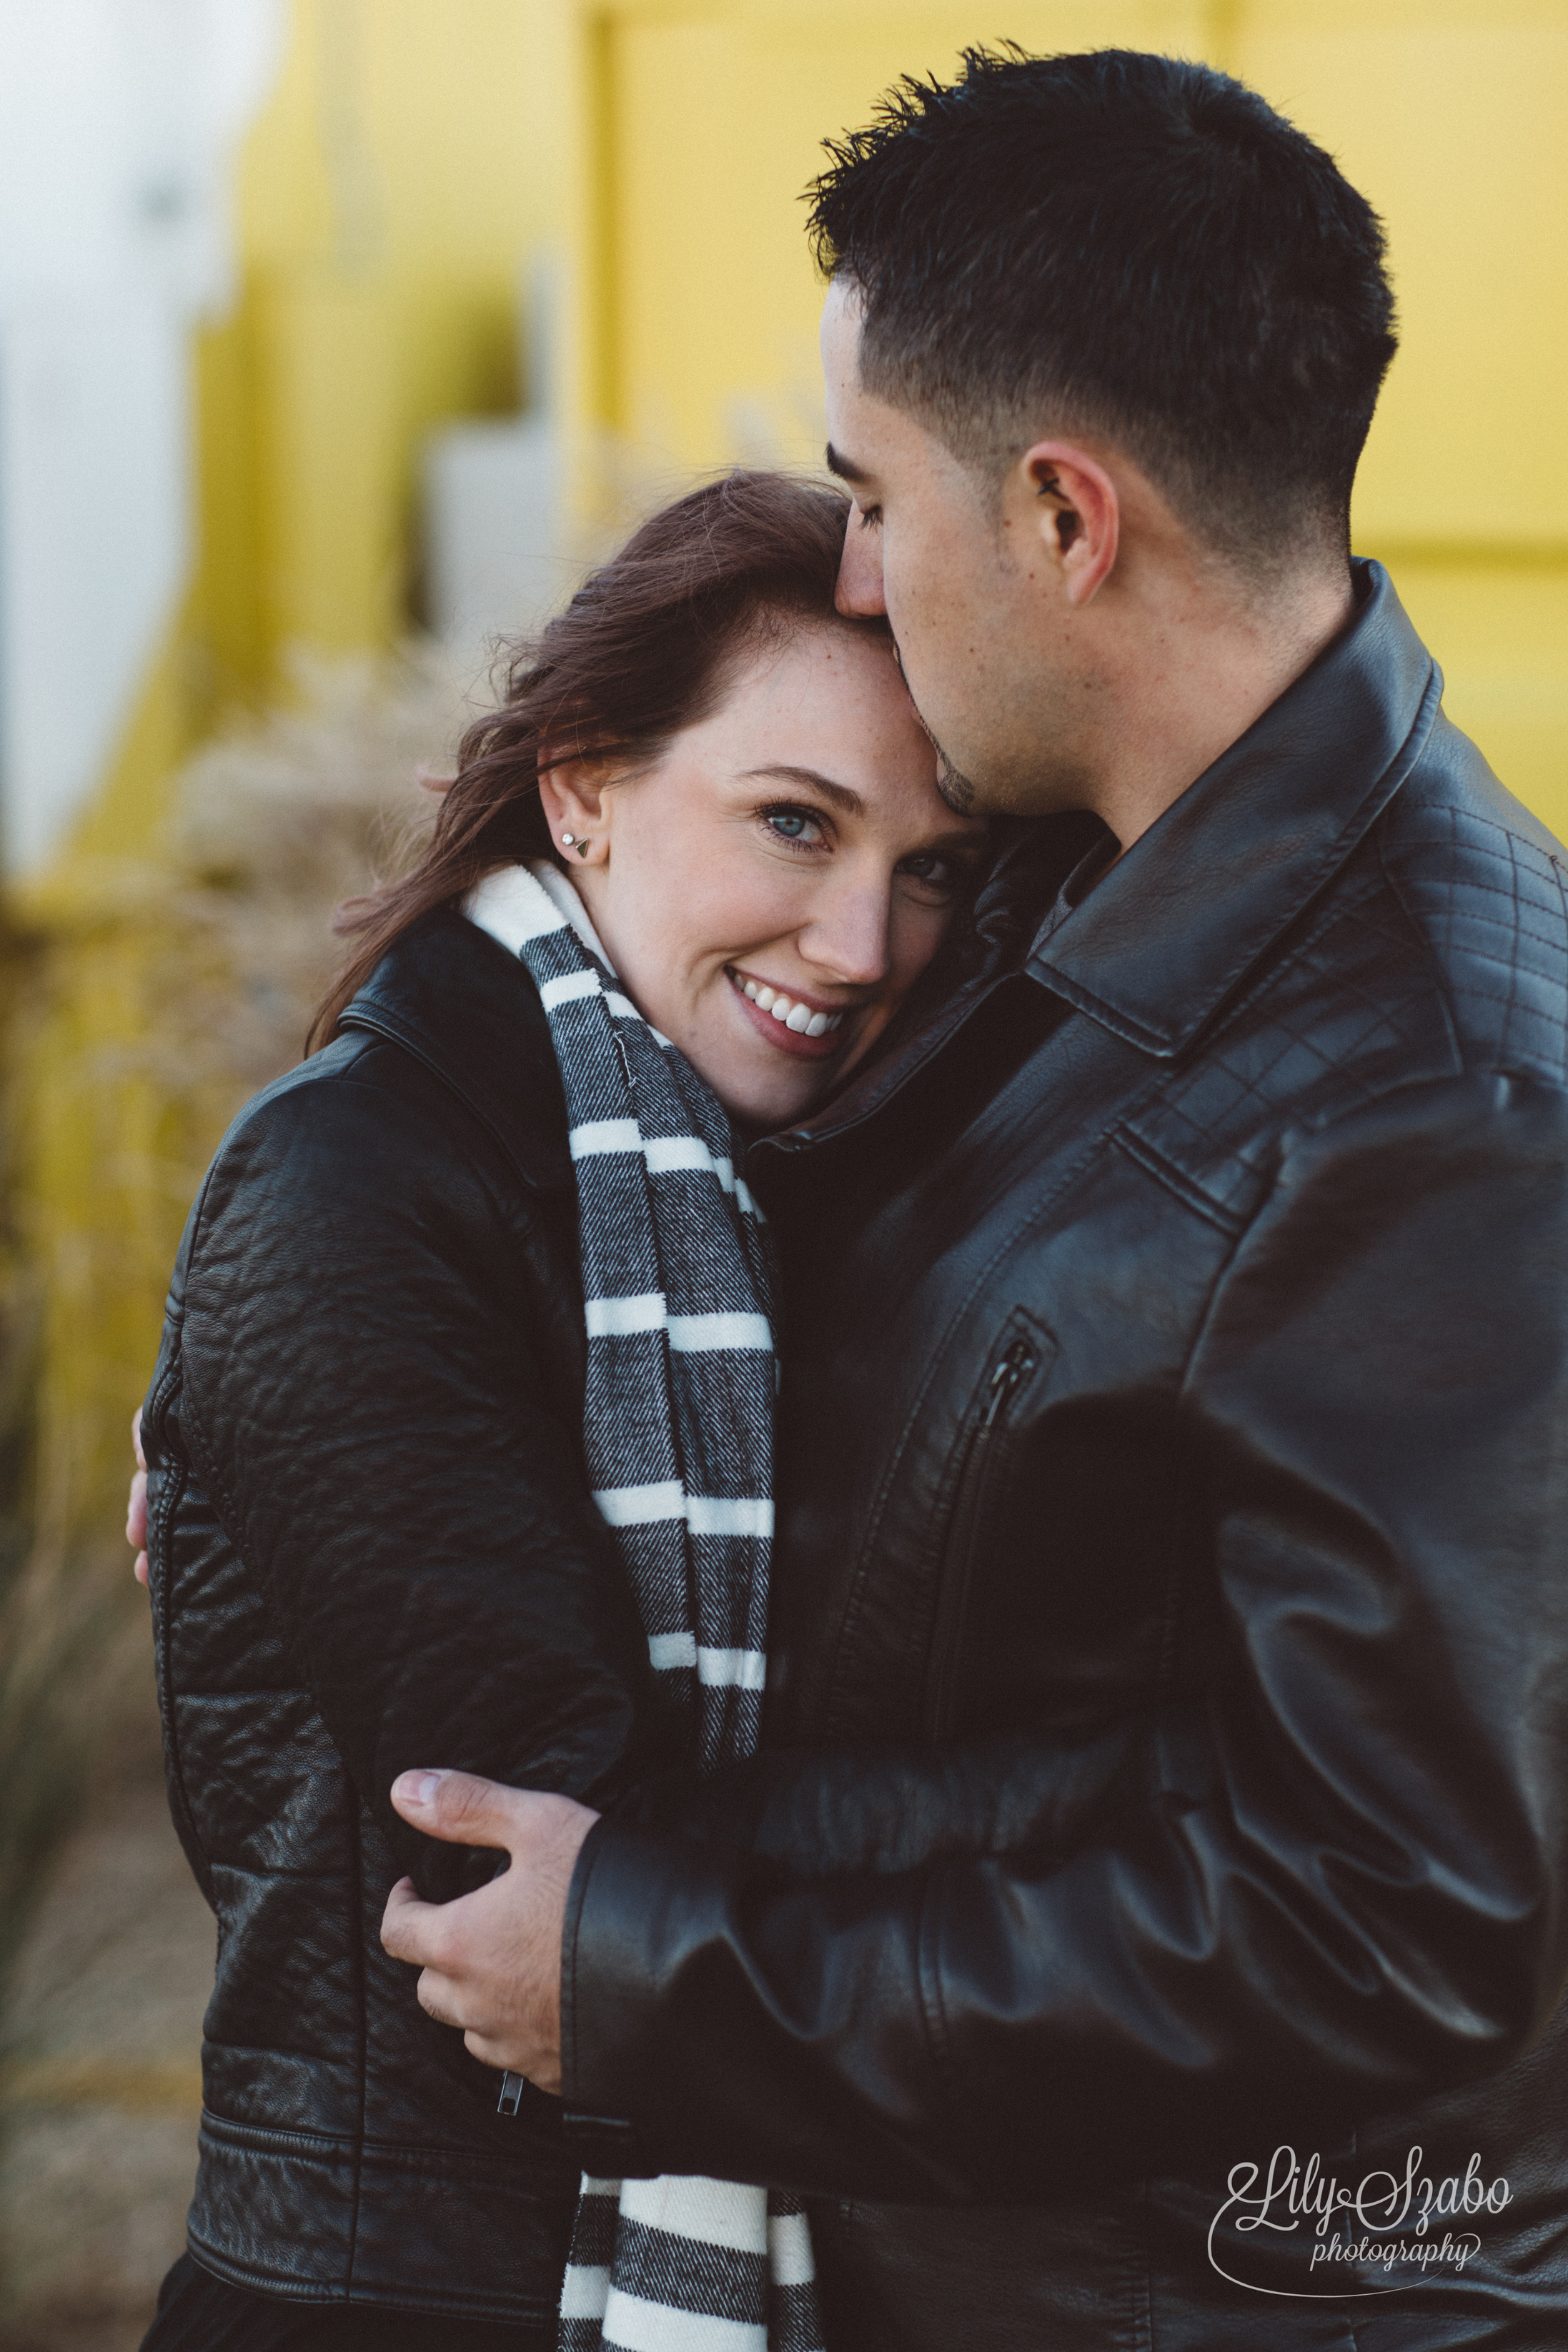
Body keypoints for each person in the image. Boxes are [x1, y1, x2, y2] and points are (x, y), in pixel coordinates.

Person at [379, 49, 1568, 2349]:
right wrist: (313, 1370)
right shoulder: (1065, 873)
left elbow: (1382, 1919)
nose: (846, 561)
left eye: (869, 490)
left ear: (1060, 516)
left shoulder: (1433, 1102)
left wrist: (655, 1971)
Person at [129, 469, 985, 2351]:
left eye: (930, 865)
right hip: (412, 2288)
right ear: (582, 786)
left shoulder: (784, 1209)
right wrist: (1175, 1817)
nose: (860, 941)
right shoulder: (353, 1181)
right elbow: (550, 1820)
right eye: (791, 820)